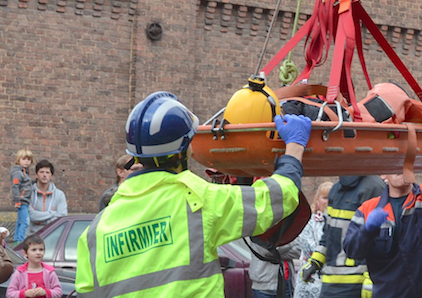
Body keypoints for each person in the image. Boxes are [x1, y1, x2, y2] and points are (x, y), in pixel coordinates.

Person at [76, 92, 312, 297]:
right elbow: (277, 198)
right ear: (183, 150)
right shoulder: (198, 201)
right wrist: (294, 146)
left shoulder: (94, 231)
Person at [343, 167, 422, 297]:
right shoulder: (367, 210)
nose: (401, 168)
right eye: (395, 164)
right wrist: (367, 231)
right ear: (383, 174)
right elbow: (352, 251)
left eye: (405, 163)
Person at [300, 176, 385, 298]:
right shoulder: (336, 189)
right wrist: (315, 262)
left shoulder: (374, 187)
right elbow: (328, 234)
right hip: (330, 281)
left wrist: (372, 277)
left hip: (358, 283)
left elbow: (380, 239)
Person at [290, 182, 332, 298]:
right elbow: (309, 250)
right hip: (310, 280)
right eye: (325, 198)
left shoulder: (340, 223)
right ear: (317, 200)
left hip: (331, 281)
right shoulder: (309, 222)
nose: (328, 201)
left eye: (332, 198)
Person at [27, 160, 67, 236]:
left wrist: (39, 220)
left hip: (53, 235)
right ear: (36, 175)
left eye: (47, 172)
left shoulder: (59, 194)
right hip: (32, 236)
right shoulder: (28, 193)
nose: (44, 175)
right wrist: (53, 213)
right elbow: (30, 215)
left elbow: (62, 218)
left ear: (51, 176)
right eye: (41, 172)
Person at [10, 149, 34, 243]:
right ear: (18, 160)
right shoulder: (18, 173)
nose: (26, 161)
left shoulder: (25, 173)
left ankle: (16, 238)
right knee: (25, 221)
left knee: (19, 221)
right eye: (24, 159)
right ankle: (21, 240)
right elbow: (15, 187)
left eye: (29, 159)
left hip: (24, 201)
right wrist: (17, 201)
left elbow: (26, 185)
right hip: (22, 201)